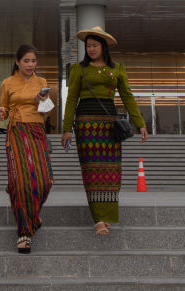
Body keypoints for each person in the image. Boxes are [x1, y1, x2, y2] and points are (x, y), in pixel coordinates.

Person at [60, 26, 147, 237]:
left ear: (103, 47)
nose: (90, 49)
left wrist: (140, 122)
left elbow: (127, 96)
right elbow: (71, 99)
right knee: (92, 171)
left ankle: (106, 214)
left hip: (109, 125)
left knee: (111, 171)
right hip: (86, 126)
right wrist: (66, 129)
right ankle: (98, 219)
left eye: (94, 45)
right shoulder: (78, 70)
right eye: (88, 46)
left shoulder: (117, 68)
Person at [0, 44, 54, 254]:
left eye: (33, 61)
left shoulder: (42, 82)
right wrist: (1, 112)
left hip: (37, 130)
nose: (30, 65)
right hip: (17, 130)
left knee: (45, 179)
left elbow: (46, 113)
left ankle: (33, 213)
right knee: (21, 180)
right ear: (17, 61)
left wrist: (44, 101)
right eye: (26, 61)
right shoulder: (7, 83)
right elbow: (3, 109)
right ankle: (24, 233)